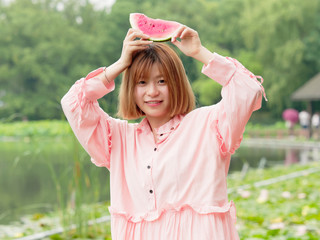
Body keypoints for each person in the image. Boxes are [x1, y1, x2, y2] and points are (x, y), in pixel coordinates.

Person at [61, 24, 266, 240]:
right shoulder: (118, 139)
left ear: (176, 83)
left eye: (162, 81)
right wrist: (121, 64)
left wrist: (199, 51)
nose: (152, 92)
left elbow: (248, 90)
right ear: (131, 88)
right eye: (142, 82)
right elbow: (74, 103)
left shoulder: (208, 125)